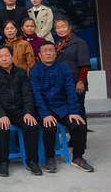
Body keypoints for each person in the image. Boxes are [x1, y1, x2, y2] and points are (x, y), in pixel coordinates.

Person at [29, 41, 94, 173]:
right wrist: (45, 114)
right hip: (43, 109)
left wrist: (74, 111)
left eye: (51, 50)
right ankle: (50, 158)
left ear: (55, 53)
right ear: (40, 54)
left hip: (61, 107)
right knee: (49, 126)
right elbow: (36, 95)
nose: (48, 53)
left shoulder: (63, 68)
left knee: (79, 125)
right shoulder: (35, 70)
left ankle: (78, 157)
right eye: (45, 50)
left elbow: (70, 90)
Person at [0, 45, 42, 177]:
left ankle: (32, 161)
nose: (4, 59)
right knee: (3, 127)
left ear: (12, 57)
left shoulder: (21, 73)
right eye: (0, 56)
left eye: (6, 56)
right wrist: (1, 115)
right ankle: (3, 163)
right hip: (0, 111)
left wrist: (28, 112)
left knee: (31, 126)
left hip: (19, 111)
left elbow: (28, 94)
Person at [54, 18, 91, 121]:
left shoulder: (79, 43)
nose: (61, 29)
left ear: (69, 28)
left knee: (78, 110)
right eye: (58, 28)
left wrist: (81, 82)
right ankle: (73, 135)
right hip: (61, 83)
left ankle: (81, 137)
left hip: (76, 82)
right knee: (67, 112)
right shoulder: (57, 45)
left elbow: (85, 64)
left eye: (63, 27)